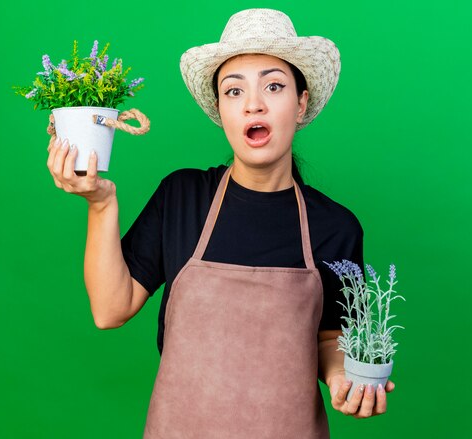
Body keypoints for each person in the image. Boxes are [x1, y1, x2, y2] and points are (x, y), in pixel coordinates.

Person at [46, 8, 395, 438]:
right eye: (234, 91)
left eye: (274, 85)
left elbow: (329, 339)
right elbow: (109, 309)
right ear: (221, 108)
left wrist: (344, 378)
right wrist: (101, 205)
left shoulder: (336, 227)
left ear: (301, 103)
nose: (253, 103)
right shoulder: (182, 197)